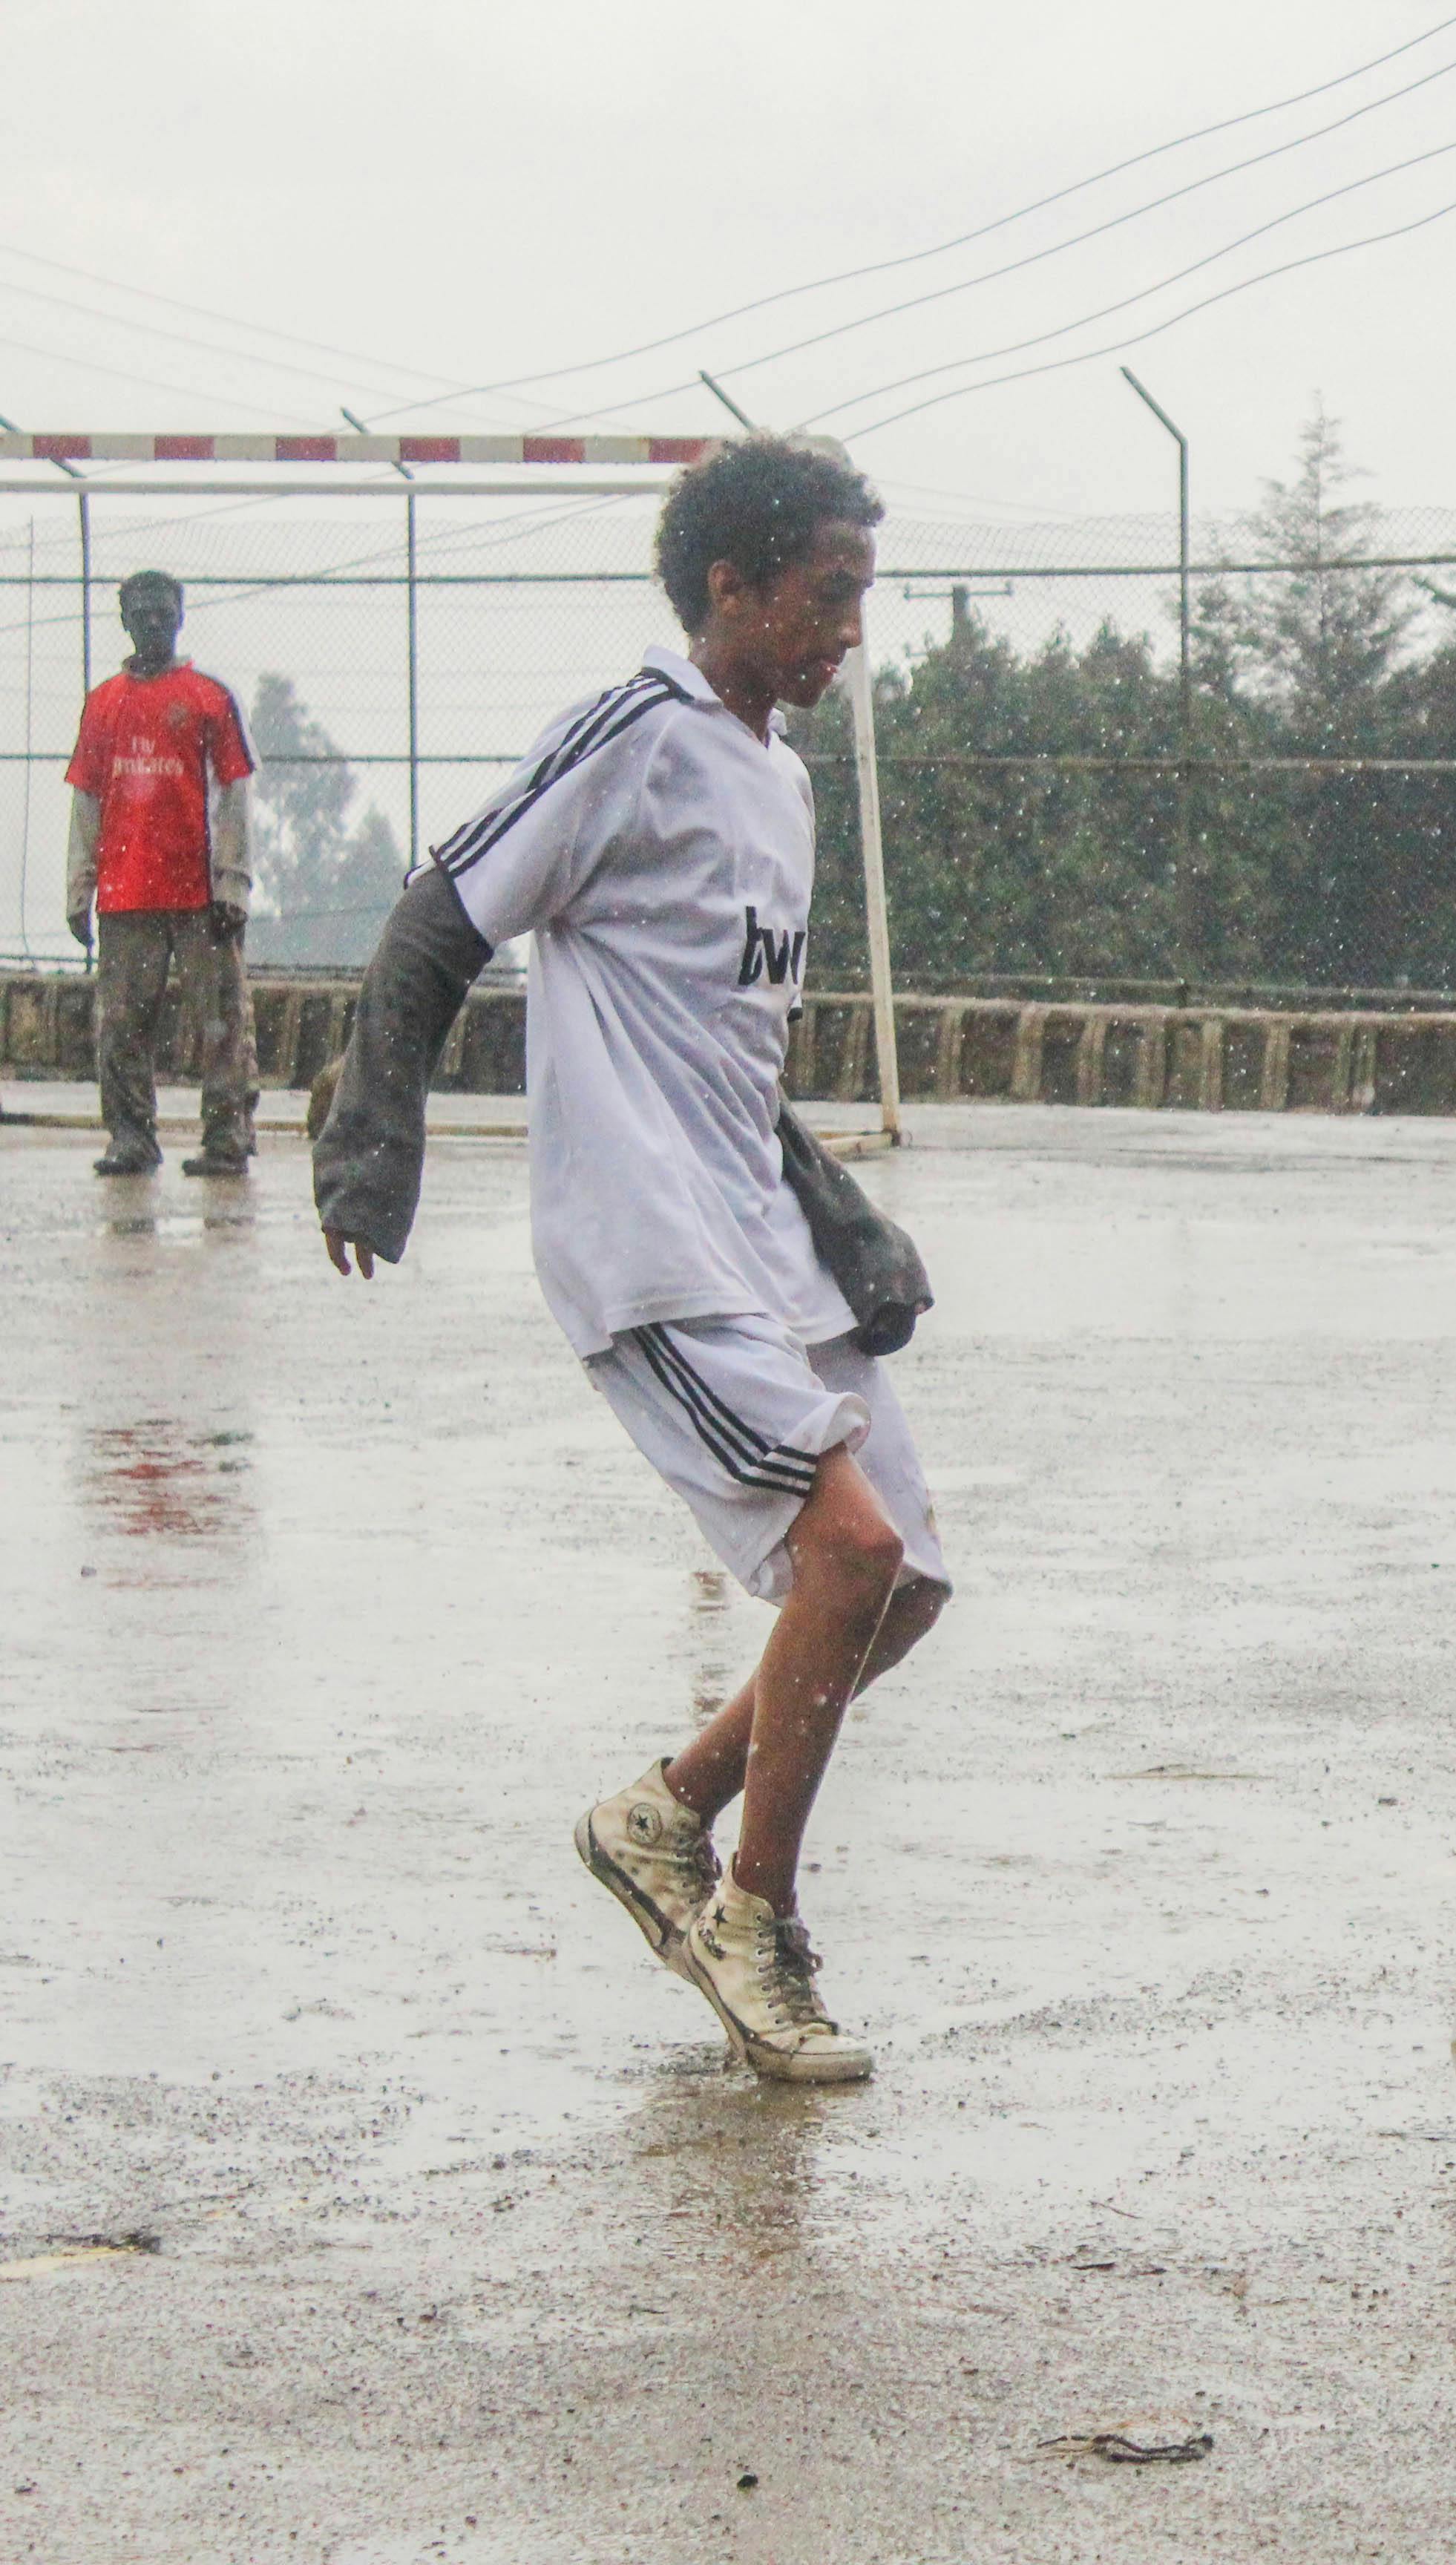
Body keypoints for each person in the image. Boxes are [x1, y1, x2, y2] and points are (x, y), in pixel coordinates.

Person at [314, 436, 947, 2086]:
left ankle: (662, 1816)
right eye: (828, 596)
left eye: (863, 597)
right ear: (728, 586)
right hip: (647, 1243)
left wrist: (837, 1207)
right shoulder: (631, 733)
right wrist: (371, 1134)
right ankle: (754, 1918)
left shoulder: (782, 777)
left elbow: (726, 1042)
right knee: (853, 1553)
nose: (850, 634)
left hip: (757, 1231)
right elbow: (442, 906)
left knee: (907, 1589)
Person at [66, 569, 259, 1178]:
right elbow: (87, 802)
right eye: (141, 611)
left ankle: (228, 1139)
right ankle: (131, 1137)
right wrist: (80, 888)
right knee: (121, 1026)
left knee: (221, 1021)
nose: (152, 621)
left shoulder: (208, 698)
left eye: (163, 611)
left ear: (179, 617)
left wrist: (233, 882)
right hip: (125, 894)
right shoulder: (102, 704)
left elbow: (234, 794)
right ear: (124, 619)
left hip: (201, 894)